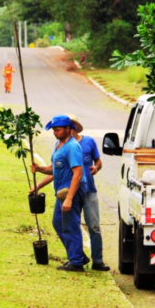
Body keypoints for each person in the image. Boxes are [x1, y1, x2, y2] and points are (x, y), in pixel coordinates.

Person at [31, 114, 88, 272]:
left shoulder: (72, 147)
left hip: (71, 191)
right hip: (62, 192)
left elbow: (77, 173)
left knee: (70, 225)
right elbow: (54, 169)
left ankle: (76, 262)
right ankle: (78, 255)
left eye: (58, 130)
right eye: (53, 130)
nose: (55, 133)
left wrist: (70, 198)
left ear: (68, 129)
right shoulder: (58, 144)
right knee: (58, 222)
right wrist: (40, 168)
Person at [66, 114, 110, 271]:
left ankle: (97, 261)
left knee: (94, 227)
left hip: (89, 191)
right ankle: (77, 257)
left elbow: (98, 161)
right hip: (72, 192)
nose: (67, 129)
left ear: (75, 127)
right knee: (73, 226)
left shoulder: (89, 142)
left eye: (70, 126)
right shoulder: (62, 146)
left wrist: (96, 167)